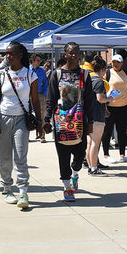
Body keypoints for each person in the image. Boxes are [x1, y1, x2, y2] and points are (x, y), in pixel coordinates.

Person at [43, 42, 95, 202]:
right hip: (61, 121)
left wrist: (90, 121)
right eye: (70, 53)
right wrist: (46, 119)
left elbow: (90, 100)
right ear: (65, 54)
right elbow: (51, 98)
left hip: (80, 121)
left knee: (80, 155)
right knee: (63, 155)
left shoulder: (84, 75)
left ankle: (75, 173)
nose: (74, 55)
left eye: (76, 53)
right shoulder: (56, 74)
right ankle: (67, 188)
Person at [0, 41, 40, 209]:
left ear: (20, 55)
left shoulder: (30, 74)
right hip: (3, 118)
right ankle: (6, 188)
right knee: (4, 156)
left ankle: (23, 191)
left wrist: (40, 122)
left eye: (11, 53)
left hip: (21, 120)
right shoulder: (1, 74)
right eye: (6, 53)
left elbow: (35, 100)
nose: (7, 56)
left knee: (20, 156)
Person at [101, 53, 127, 163]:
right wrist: (104, 105)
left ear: (122, 63)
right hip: (110, 107)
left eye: (118, 62)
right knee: (107, 131)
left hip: (124, 107)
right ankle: (106, 155)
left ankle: (122, 154)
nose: (116, 64)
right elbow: (102, 88)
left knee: (122, 131)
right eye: (114, 62)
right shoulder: (107, 73)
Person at [87, 55, 109, 175]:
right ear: (102, 69)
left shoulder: (89, 79)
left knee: (90, 143)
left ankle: (91, 166)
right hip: (97, 115)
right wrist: (110, 98)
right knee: (95, 143)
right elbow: (100, 99)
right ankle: (94, 167)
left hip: (89, 115)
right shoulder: (99, 82)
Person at [30, 54, 49, 142]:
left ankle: (42, 135)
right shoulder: (27, 70)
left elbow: (45, 83)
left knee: (42, 115)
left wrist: (45, 95)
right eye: (37, 60)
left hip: (40, 94)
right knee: (27, 114)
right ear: (33, 61)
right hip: (29, 95)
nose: (39, 62)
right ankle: (26, 136)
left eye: (40, 60)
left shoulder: (42, 71)